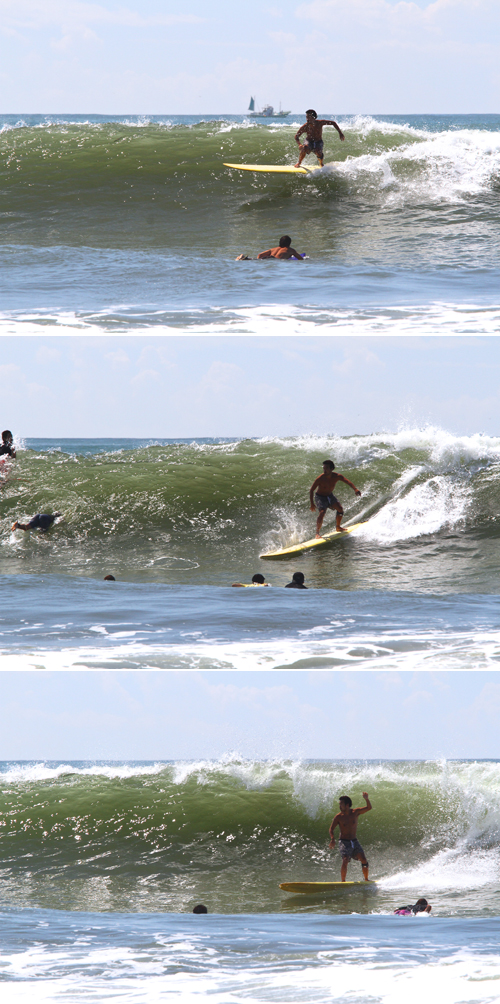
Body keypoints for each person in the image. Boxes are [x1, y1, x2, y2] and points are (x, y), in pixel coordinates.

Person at [310, 460, 361, 538]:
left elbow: (348, 482)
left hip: (330, 496)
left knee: (340, 509)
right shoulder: (320, 478)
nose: (324, 470)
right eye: (323, 468)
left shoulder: (337, 476)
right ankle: (317, 533)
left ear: (332, 469)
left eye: (326, 468)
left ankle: (338, 527)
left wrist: (355, 489)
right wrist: (312, 503)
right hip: (320, 497)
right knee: (322, 512)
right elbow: (311, 490)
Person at [329, 793, 372, 882]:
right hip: (344, 842)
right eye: (339, 804)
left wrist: (366, 799)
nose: (340, 806)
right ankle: (343, 882)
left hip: (354, 841)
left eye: (341, 804)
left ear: (347, 805)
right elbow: (331, 829)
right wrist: (332, 839)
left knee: (363, 859)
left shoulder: (355, 812)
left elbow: (369, 808)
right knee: (345, 859)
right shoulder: (338, 817)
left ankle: (366, 880)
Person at [236, 236, 304, 261]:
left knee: (254, 260)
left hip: (266, 258)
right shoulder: (290, 250)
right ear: (289, 243)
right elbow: (300, 258)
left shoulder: (273, 249)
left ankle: (242, 257)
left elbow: (259, 255)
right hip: (274, 260)